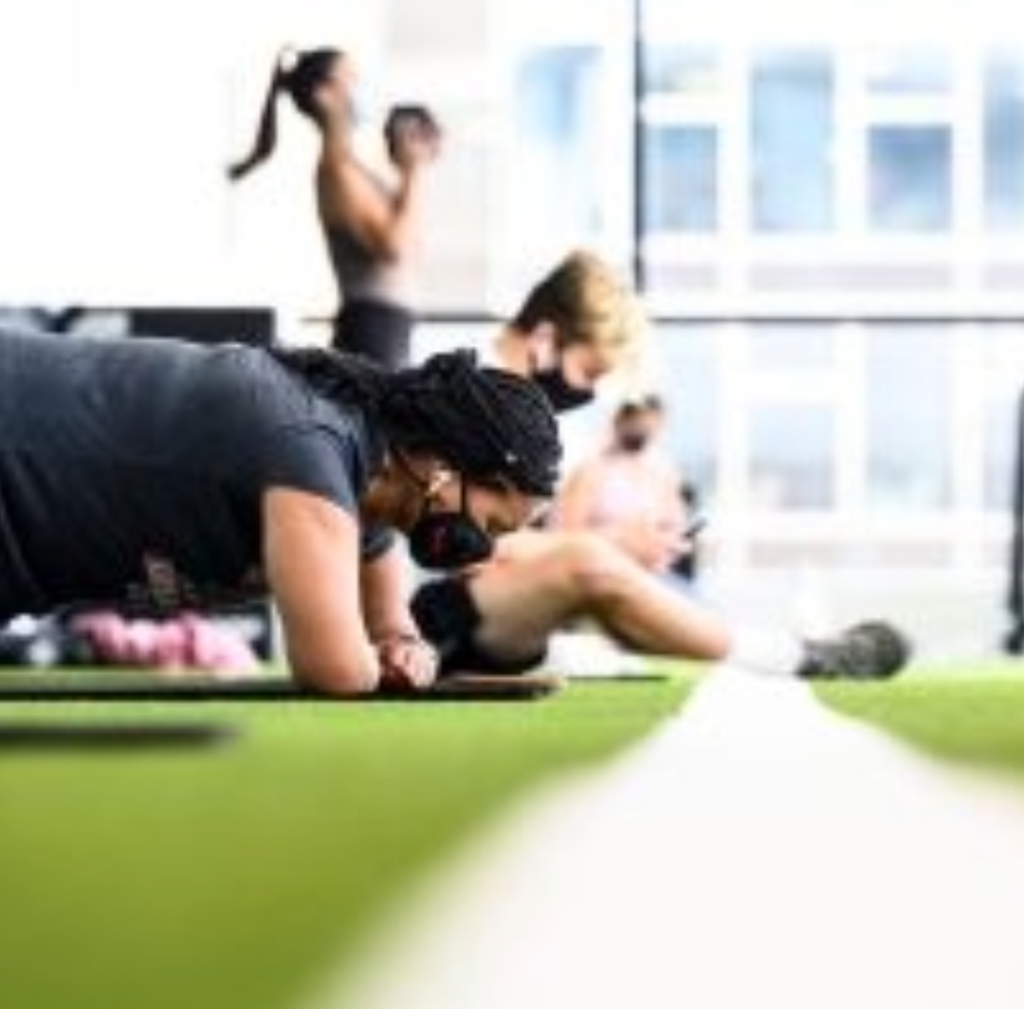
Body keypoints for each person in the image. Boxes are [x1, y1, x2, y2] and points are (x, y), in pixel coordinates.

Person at [410, 250, 911, 681]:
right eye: (588, 372)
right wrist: (612, 544)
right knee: (588, 562)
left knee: (599, 569)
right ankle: (798, 657)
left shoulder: (519, 407)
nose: (585, 392)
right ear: (544, 336)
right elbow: (460, 548)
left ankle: (792, 651)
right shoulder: (467, 388)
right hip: (427, 615)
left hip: (477, 607)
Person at [0, 328, 560, 696]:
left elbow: (392, 627)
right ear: (446, 463)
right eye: (489, 525)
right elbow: (336, 671)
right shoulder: (311, 452)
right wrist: (376, 664)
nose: (479, 549)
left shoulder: (367, 507)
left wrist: (408, 652)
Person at [228, 46, 441, 369]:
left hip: (388, 329)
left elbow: (402, 234)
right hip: (371, 332)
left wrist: (412, 165)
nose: (361, 86)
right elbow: (394, 248)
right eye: (352, 79)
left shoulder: (352, 168)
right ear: (324, 95)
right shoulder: (336, 171)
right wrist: (413, 173)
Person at [550, 394, 690, 576]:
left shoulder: (664, 472)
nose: (642, 425)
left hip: (651, 576)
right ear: (619, 419)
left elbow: (676, 523)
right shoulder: (590, 471)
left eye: (649, 418)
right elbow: (563, 537)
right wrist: (620, 538)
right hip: (598, 575)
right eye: (634, 416)